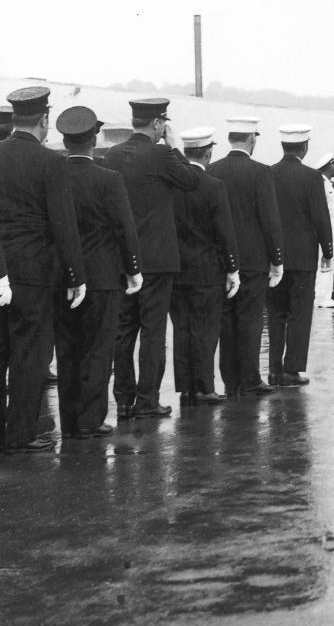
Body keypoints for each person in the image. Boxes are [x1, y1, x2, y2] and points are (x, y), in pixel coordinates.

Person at [101, 97, 200, 419]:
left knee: (123, 331)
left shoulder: (112, 155)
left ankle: (124, 400)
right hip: (157, 259)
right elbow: (191, 180)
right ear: (158, 123)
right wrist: (173, 147)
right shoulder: (160, 154)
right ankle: (148, 399)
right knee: (153, 331)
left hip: (121, 258)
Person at [0, 86, 86, 452]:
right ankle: (19, 434)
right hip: (34, 271)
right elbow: (63, 225)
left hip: (1, 266)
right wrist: (75, 276)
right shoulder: (51, 163)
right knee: (29, 354)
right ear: (45, 119)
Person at [53, 106, 142, 439]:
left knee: (67, 350)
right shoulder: (108, 179)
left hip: (61, 275)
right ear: (93, 140)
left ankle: (70, 418)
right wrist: (133, 269)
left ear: (64, 141)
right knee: (98, 349)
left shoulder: (53, 175)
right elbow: (124, 228)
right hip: (103, 278)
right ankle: (91, 418)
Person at [207, 116, 284, 397]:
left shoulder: (212, 169)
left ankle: (230, 378)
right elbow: (269, 219)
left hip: (222, 259)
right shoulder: (260, 172)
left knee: (227, 321)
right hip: (253, 259)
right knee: (251, 320)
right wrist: (276, 258)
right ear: (252, 139)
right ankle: (250, 378)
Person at [170, 127, 240, 405]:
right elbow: (225, 231)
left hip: (177, 268)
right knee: (206, 329)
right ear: (208, 152)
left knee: (182, 329)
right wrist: (232, 267)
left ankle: (186, 386)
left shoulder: (172, 186)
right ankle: (204, 385)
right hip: (207, 269)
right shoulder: (213, 186)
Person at [267, 123, 334, 385]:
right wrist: (327, 251)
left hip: (275, 257)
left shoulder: (268, 174)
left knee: (275, 314)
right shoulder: (312, 177)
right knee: (299, 313)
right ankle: (291, 369)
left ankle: (274, 368)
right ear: (304, 147)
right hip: (304, 257)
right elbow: (320, 218)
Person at [312, 152, 334, 308]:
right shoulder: (322, 184)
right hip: (325, 227)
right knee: (325, 261)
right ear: (328, 167)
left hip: (331, 225)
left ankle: (325, 295)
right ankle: (322, 297)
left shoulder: (327, 183)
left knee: (328, 261)